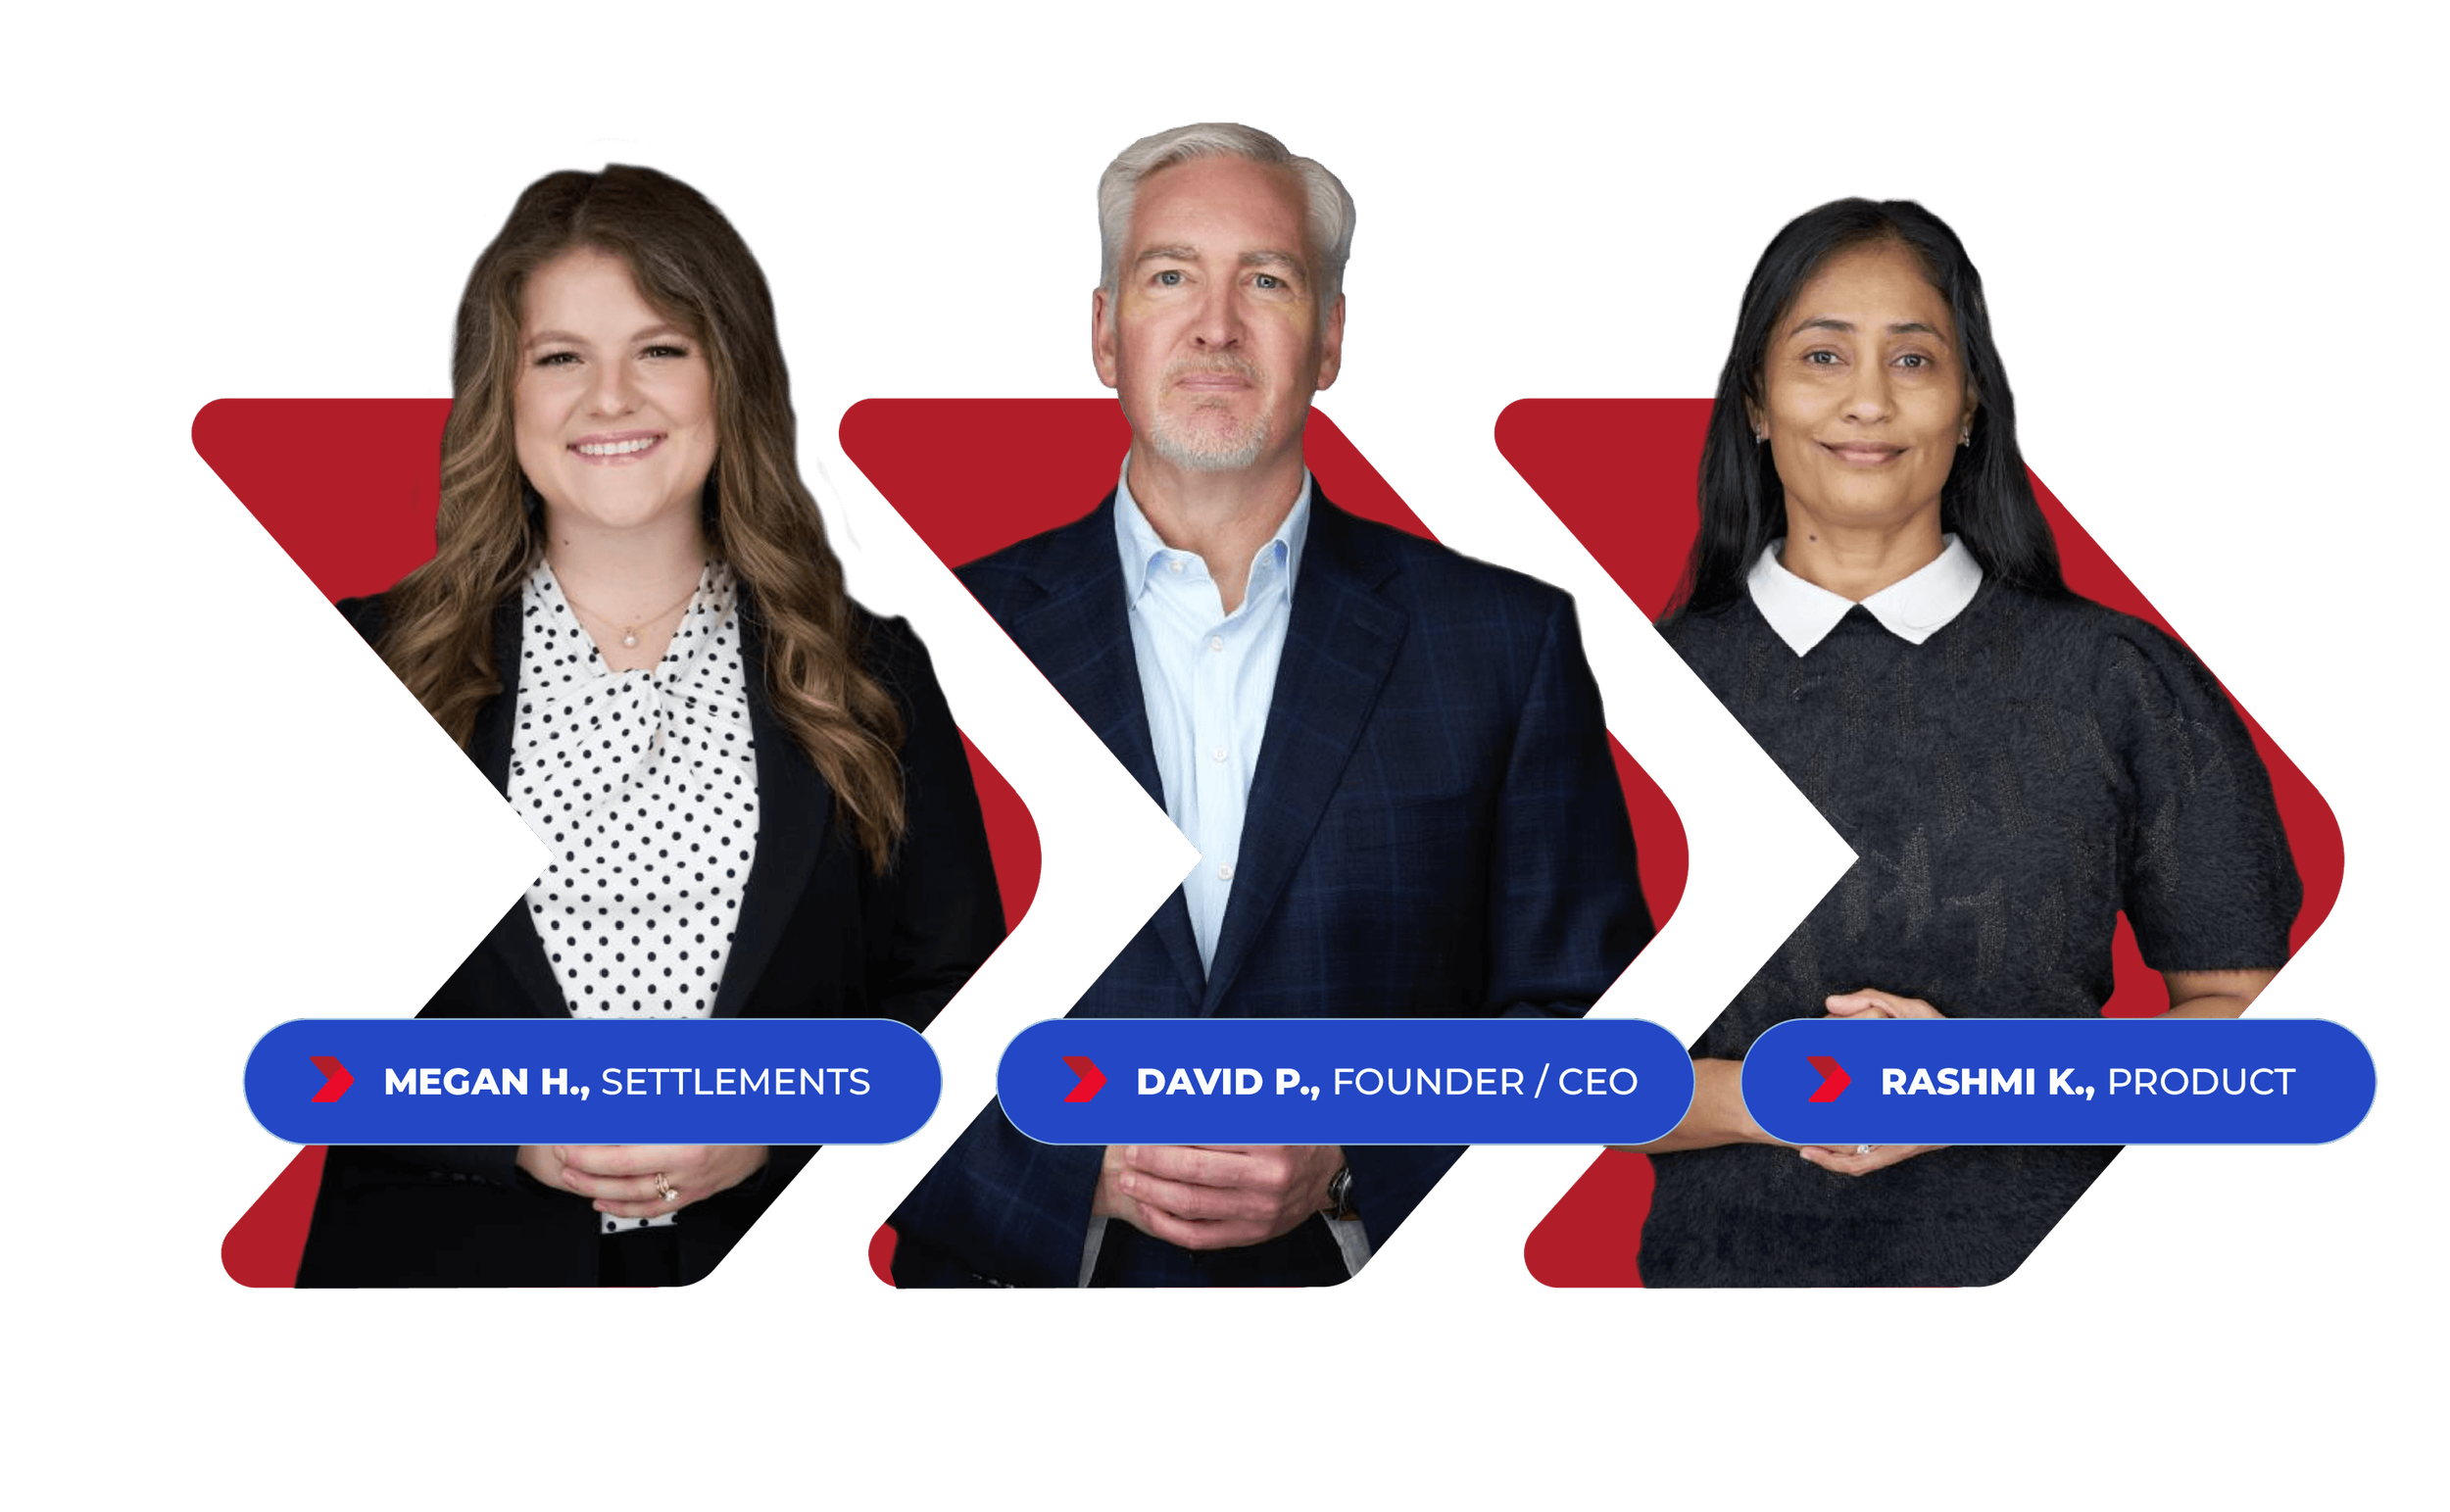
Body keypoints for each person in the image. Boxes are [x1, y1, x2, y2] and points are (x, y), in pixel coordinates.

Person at [888, 123, 1650, 1288]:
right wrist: (1067, 1165)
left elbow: (1584, 1017)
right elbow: (852, 1025)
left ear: (1332, 336)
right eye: (1169, 275)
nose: (1215, 324)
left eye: (1267, 280)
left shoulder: (1506, 638)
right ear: (1103, 332)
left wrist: (1358, 1156)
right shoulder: (931, 644)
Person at [298, 163, 1005, 1287]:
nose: (611, 399)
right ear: (505, 391)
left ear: (732, 376)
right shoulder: (381, 657)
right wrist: (508, 1129)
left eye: (661, 349)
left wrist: (774, 1129)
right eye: (561, 357)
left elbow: (954, 998)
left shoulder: (871, 669)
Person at [1633, 196, 2301, 1287]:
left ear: (1970, 398)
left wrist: (1980, 1079)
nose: (1865, 401)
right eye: (1820, 355)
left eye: (1912, 358)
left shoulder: (2120, 681)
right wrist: (1791, 1092)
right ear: (1754, 400)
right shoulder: (1613, 692)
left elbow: (2252, 1039)